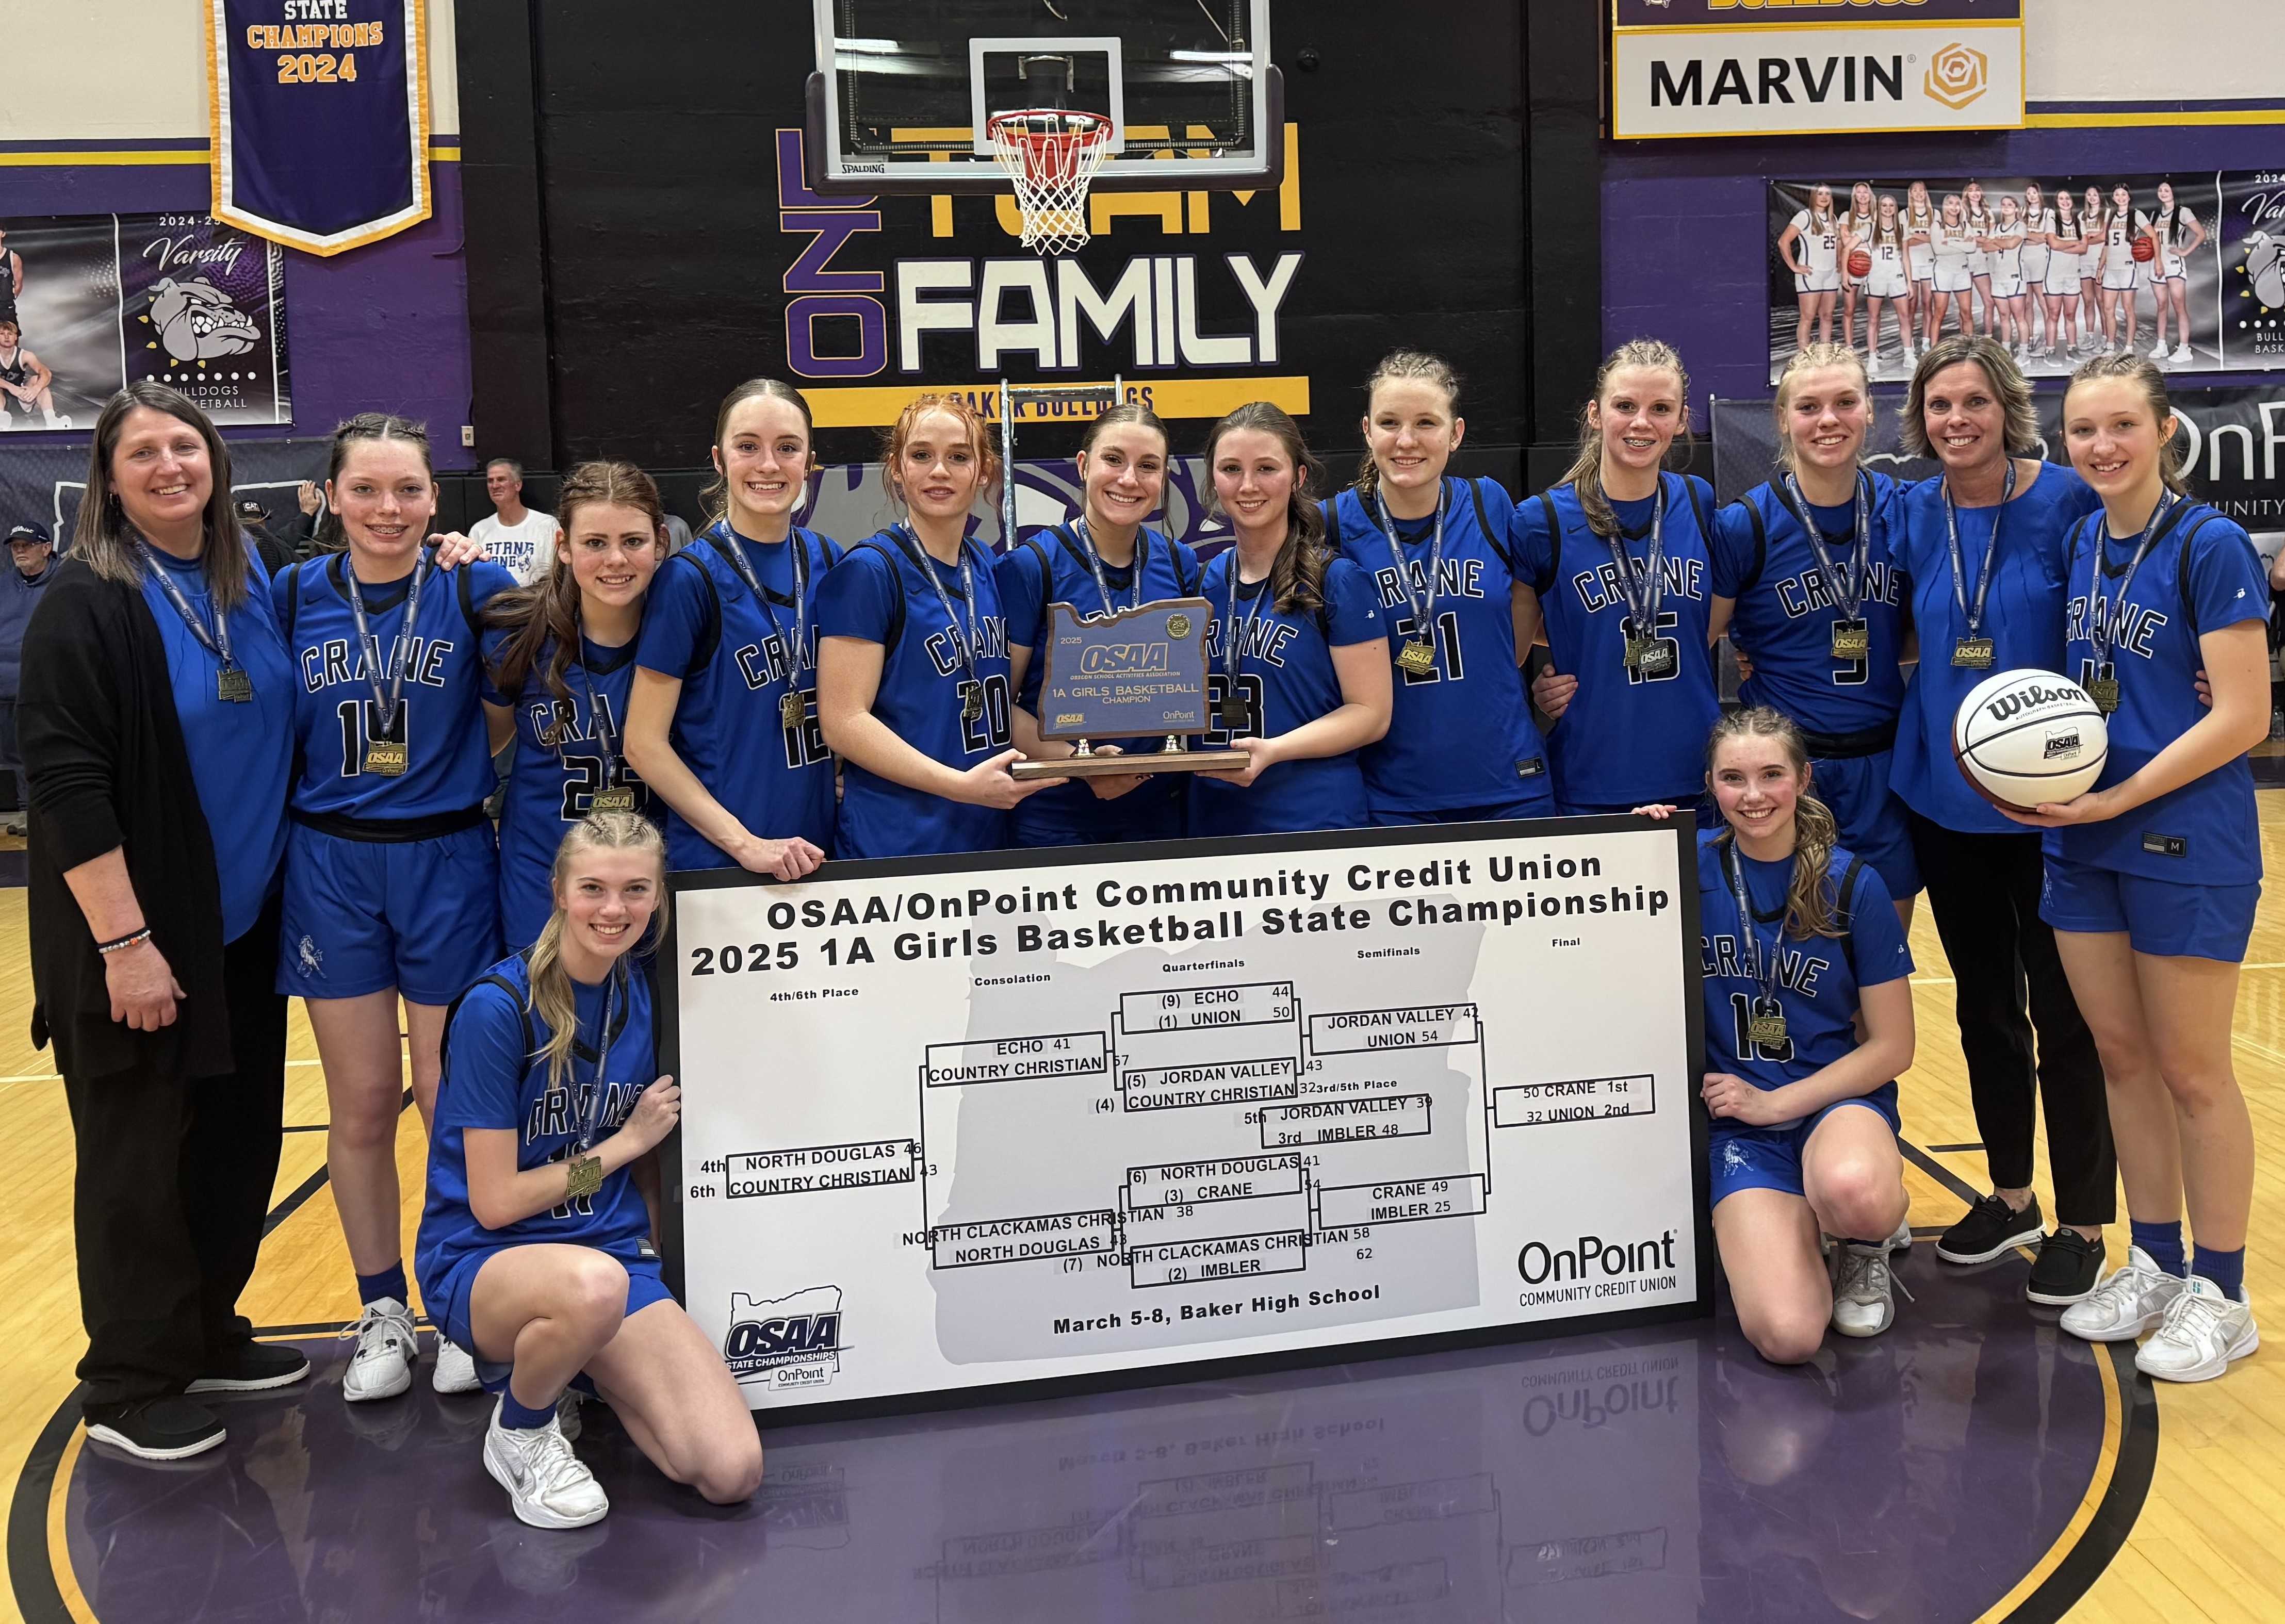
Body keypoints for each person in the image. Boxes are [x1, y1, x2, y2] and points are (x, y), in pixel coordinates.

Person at [20, 384, 302, 1459]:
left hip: (242, 925)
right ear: (108, 477)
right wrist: (125, 945)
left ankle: (204, 1330)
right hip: (134, 939)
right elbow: (68, 787)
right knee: (137, 1158)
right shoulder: (84, 603)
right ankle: (131, 1381)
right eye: (144, 452)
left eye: (187, 445)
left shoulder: (252, 576)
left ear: (217, 462)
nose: (170, 464)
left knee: (236, 1144)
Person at [2020, 357, 2266, 1381]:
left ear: (2164, 429)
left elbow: (2244, 713)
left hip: (2182, 838)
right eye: (2082, 429)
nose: (2100, 445)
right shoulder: (2083, 538)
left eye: (2121, 424)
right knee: (2120, 1056)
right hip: (2082, 834)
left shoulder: (2209, 544)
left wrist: (2120, 795)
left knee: (2194, 1069)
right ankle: (2155, 1258)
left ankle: (2223, 1288)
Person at [416, 813, 761, 1527]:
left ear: (658, 897)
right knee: (593, 1286)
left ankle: (572, 1365)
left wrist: (655, 1268)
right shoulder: (496, 1009)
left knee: (730, 1470)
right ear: (558, 892)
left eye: (636, 889)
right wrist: (621, 1145)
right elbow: (495, 1202)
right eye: (594, 888)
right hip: (484, 1261)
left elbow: (646, 1182)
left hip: (604, 1261)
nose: (614, 909)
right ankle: (520, 1431)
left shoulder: (642, 992)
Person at [272, 413, 516, 1403]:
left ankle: (461, 1299)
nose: (388, 508)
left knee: (450, 1099)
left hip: (449, 853)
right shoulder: (290, 594)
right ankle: (381, 1305)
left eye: (409, 490)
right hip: (331, 862)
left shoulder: (473, 584)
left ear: (435, 497)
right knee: (365, 1100)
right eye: (366, 489)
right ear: (331, 495)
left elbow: (509, 716)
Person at [1890, 334, 2114, 1303]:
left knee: (2067, 1015)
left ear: (2007, 407)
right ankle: (2012, 1193)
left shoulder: (2066, 498)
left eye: (1973, 402)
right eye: (1940, 406)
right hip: (1945, 801)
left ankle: (2083, 1222)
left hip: (2055, 807)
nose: (1957, 421)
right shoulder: (1910, 509)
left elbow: (2128, 598)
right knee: (1983, 1009)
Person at [1636, 708, 1915, 1364]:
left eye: (1770, 774)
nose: (1753, 794)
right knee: (1788, 1336)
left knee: (1857, 1193)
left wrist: (1777, 1103)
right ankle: (1789, 1227)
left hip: (1830, 1105)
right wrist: (1634, 850)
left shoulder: (1853, 882)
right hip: (1737, 1127)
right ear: (1710, 784)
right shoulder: (1679, 868)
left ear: (1803, 779)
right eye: (1733, 778)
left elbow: (1893, 1047)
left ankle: (1861, 1242)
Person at [1713, 346, 1919, 924]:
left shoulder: (1901, 510)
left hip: (1881, 764)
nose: (1827, 419)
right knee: (1791, 959)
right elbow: (1697, 634)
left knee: (1879, 955)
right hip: (1786, 770)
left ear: (1868, 412)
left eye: (1843, 402)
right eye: (1807, 406)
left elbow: (1924, 627)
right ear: (1782, 418)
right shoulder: (1744, 524)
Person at [818, 394, 1060, 856]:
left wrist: (1082, 758)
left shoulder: (985, 566)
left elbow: (989, 705)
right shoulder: (869, 572)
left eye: (959, 457)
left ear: (984, 470)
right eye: (921, 455)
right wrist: (960, 786)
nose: (940, 471)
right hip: (895, 842)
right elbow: (843, 721)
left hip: (982, 832)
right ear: (896, 468)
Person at [1326, 351, 1555, 824]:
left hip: (1510, 784)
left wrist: (1578, 675)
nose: (1406, 440)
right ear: (1367, 431)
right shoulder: (1332, 525)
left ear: (1456, 434)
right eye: (1389, 422)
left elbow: (1554, 611)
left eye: (1426, 423)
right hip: (1391, 796)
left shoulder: (1489, 503)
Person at [625, 379, 837, 880]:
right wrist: (746, 845)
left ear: (809, 461)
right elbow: (642, 743)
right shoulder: (689, 579)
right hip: (723, 861)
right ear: (719, 460)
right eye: (748, 447)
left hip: (819, 851)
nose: (768, 464)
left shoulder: (830, 559)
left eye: (787, 448)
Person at [1513, 339, 1721, 817]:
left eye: (1661, 408)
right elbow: (1512, 650)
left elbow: (1712, 617)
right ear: (1595, 413)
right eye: (1625, 405)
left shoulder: (1699, 500)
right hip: (1591, 778)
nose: (1642, 422)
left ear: (1683, 418)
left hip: (1700, 773)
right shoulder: (1540, 520)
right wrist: (1549, 678)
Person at [998, 403, 1200, 846]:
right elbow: (1001, 706)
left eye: (1148, 466)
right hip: (1055, 820)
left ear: (1163, 480)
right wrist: (1081, 762)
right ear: (1085, 465)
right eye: (1114, 459)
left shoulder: (1181, 566)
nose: (1129, 479)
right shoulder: (1032, 567)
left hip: (1159, 818)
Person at [484, 462, 664, 950]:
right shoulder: (518, 635)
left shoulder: (684, 635)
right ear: (563, 546)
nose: (615, 560)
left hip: (646, 881)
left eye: (633, 541)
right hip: (542, 874)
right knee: (547, 1019)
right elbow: (489, 738)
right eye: (594, 543)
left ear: (661, 543)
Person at [1190, 403, 1391, 836]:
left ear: (1298, 477)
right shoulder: (1202, 581)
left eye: (1266, 468)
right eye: (1230, 469)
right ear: (1213, 479)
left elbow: (1372, 714)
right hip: (1213, 821)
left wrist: (1274, 750)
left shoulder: (1336, 580)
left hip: (1312, 821)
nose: (1247, 485)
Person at [1, 521, 56, 834]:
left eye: (27, 545)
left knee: (49, 751)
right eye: (15, 546)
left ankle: (49, 812)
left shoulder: (65, 582)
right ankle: (26, 811)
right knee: (16, 754)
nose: (19, 551)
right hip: (6, 688)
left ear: (46, 548)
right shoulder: (4, 585)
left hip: (49, 686)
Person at [471, 458, 561, 587]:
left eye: (501, 479)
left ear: (518, 485)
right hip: (493, 604)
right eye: (490, 481)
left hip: (534, 602)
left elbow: (557, 574)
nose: (495, 486)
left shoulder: (547, 525)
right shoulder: (479, 530)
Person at [2146, 179, 2206, 365]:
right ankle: (2162, 345)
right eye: (2160, 190)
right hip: (2156, 264)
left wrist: (2185, 252)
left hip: (2173, 265)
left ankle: (2184, 347)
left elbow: (2201, 233)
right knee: (2162, 306)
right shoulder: (2155, 214)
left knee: (2179, 306)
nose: (2163, 192)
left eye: (2167, 189)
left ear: (2174, 192)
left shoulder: (2183, 211)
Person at [1778, 185, 1841, 354]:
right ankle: (1804, 356)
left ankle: (1824, 354)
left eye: (1828, 193)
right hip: (1811, 274)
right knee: (1808, 317)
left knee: (1827, 316)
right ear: (1813, 196)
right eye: (1820, 193)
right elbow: (1783, 242)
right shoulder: (1804, 216)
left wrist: (1840, 263)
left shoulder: (1833, 219)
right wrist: (1794, 267)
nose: (1824, 197)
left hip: (1831, 274)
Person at [0, 318, 70, 430]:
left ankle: (52, 421)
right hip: (2, 402)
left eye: (10, 333)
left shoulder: (25, 355)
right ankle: (1, 420)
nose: (7, 337)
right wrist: (12, 388)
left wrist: (36, 389)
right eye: (2, 334)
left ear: (16, 337)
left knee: (37, 380)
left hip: (22, 399)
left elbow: (46, 373)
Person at [2042, 190, 2087, 363]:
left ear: (2072, 201)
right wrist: (2075, 242)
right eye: (2061, 198)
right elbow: (2053, 244)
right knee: (2053, 314)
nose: (2065, 201)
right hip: (2054, 275)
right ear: (2056, 202)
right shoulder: (2052, 219)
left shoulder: (2079, 221)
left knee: (2070, 315)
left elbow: (2084, 249)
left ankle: (2072, 349)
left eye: (2068, 198)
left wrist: (2064, 245)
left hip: (2072, 275)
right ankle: (2050, 351)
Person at [1838, 182, 1878, 357]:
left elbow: (1879, 241)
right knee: (1849, 309)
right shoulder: (1847, 216)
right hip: (1853, 264)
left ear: (1870, 196)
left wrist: (1856, 239)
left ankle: (1874, 349)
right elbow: (1846, 243)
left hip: (1874, 265)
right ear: (1854, 197)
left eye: (1865, 192)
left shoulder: (1877, 216)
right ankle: (1849, 347)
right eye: (1858, 193)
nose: (1862, 196)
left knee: (1874, 312)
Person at [236, 497, 292, 577]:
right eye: (248, 525)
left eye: (259, 525)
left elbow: (283, 539)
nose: (256, 532)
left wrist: (306, 514)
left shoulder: (273, 545)